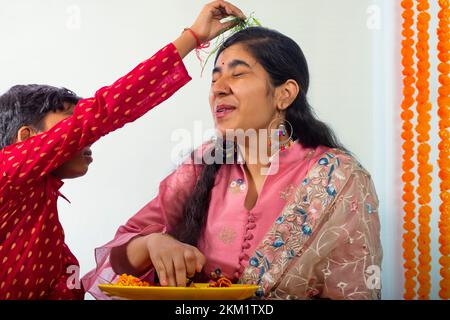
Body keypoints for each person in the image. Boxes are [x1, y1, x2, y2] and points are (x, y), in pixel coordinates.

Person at [83, 26, 382, 300]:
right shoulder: (203, 163)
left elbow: (354, 291)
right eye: (214, 78)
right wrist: (153, 245)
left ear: (284, 94)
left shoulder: (337, 177)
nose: (218, 88)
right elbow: (122, 253)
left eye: (237, 74)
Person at [0, 1, 245, 300]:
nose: (86, 136)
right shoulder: (6, 169)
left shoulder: (46, 225)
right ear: (26, 138)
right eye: (70, 122)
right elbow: (102, 112)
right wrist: (192, 37)